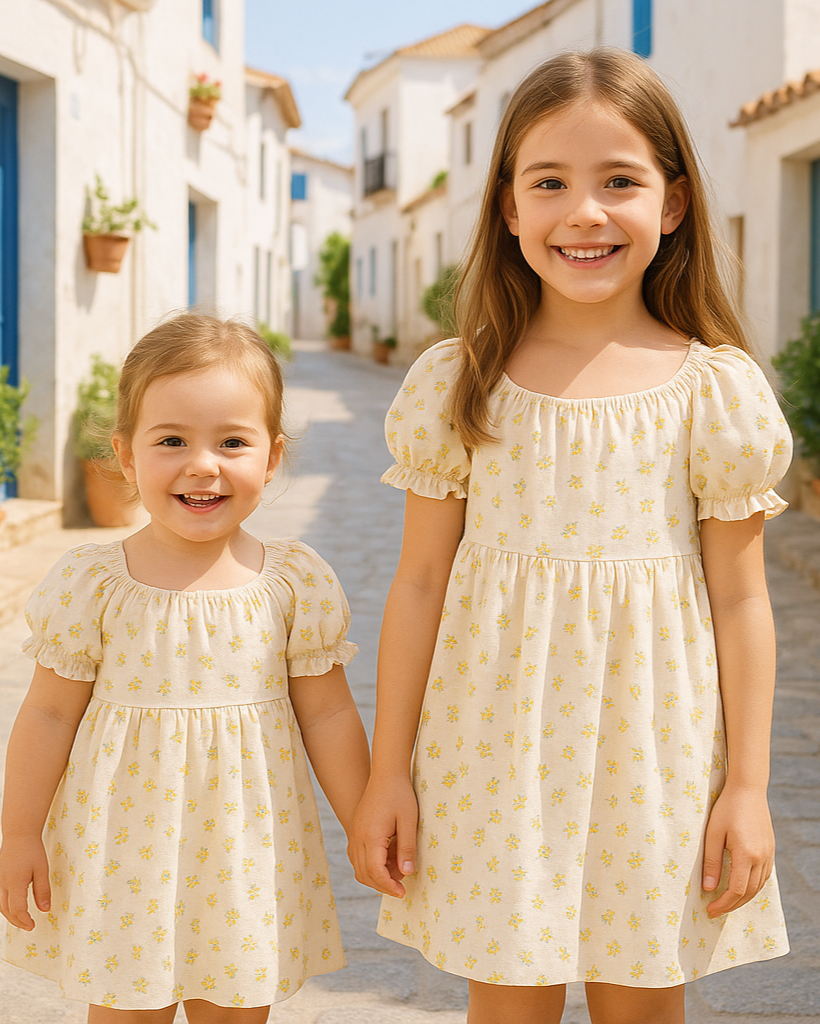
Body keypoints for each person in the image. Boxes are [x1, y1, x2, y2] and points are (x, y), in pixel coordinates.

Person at [350, 47, 792, 1024]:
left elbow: (740, 597)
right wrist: (388, 772)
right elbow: (420, 581)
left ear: (671, 204)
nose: (583, 212)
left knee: (642, 1004)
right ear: (507, 208)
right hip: (490, 757)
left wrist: (749, 785)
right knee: (508, 1005)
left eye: (619, 181)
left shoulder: (712, 393)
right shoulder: (458, 381)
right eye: (548, 182)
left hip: (656, 759)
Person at [0, 314, 370, 1023]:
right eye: (172, 441)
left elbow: (326, 712)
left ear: (271, 457)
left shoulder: (291, 583)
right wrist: (19, 834)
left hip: (244, 852)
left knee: (235, 1009)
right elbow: (47, 713)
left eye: (232, 441)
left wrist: (360, 821)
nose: (204, 465)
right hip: (121, 856)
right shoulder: (95, 583)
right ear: (127, 455)